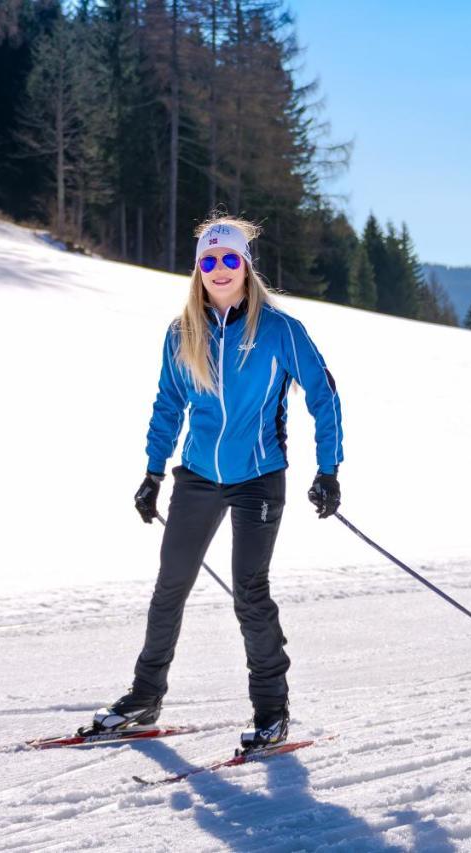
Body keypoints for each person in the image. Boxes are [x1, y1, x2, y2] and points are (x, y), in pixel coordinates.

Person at [86, 216, 344, 752]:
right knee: (170, 587)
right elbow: (168, 403)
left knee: (250, 593)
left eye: (230, 260)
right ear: (197, 271)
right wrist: (153, 472)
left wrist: (328, 469)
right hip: (198, 476)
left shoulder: (278, 330)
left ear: (247, 267)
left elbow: (323, 394)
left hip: (258, 477)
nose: (220, 270)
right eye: (209, 261)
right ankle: (144, 696)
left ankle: (272, 712)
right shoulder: (183, 333)